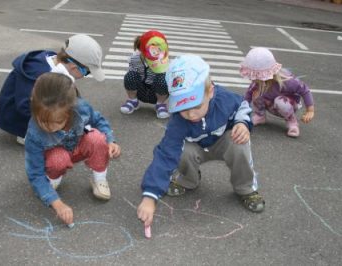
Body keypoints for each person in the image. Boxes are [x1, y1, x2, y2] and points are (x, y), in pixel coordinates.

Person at [137, 54, 265, 227]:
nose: (191, 114)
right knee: (180, 150)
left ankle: (246, 189)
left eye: (196, 106)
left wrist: (242, 123)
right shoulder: (178, 120)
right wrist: (150, 196)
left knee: (239, 143)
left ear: (210, 92)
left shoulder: (224, 99)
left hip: (223, 142)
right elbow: (165, 154)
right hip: (196, 147)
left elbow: (243, 106)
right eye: (183, 108)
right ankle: (189, 180)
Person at [25, 72, 120, 226]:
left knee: (97, 138)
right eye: (42, 120)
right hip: (56, 154)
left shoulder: (81, 108)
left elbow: (98, 120)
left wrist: (111, 140)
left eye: (57, 121)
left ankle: (99, 179)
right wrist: (57, 203)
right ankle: (53, 178)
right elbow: (35, 174)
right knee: (57, 160)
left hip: (77, 146)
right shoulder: (35, 133)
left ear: (69, 111)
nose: (49, 127)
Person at [0, 34, 105, 145]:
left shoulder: (58, 65)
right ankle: (28, 134)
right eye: (87, 72)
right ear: (75, 67)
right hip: (18, 118)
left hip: (33, 108)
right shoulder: (38, 72)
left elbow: (74, 99)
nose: (85, 76)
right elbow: (25, 106)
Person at [240, 47, 315, 137]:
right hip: (271, 103)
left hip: (288, 105)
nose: (252, 79)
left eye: (255, 77)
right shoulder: (258, 82)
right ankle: (260, 116)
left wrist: (310, 110)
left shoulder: (287, 81)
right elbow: (248, 95)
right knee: (256, 93)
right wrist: (241, 112)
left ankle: (292, 122)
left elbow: (305, 90)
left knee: (280, 101)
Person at [120, 30, 170, 119]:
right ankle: (133, 101)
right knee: (130, 75)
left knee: (164, 78)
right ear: (141, 50)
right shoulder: (134, 59)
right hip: (141, 90)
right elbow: (131, 78)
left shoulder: (164, 60)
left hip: (156, 92)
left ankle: (160, 104)